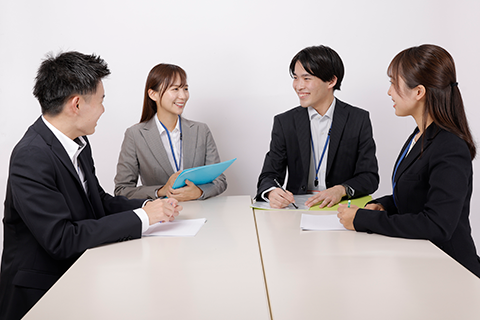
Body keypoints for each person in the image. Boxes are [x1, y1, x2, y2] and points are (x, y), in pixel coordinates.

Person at [0, 51, 182, 319]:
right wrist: (143, 217)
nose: (103, 109)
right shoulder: (31, 155)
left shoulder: (79, 142)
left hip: (81, 273)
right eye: (101, 100)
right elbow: (61, 239)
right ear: (76, 104)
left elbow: (97, 201)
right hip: (40, 293)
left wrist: (148, 205)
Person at [337, 44, 480, 278]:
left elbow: (437, 224)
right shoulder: (419, 136)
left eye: (394, 83)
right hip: (421, 265)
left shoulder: (450, 147)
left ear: (419, 92)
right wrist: (384, 205)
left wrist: (366, 219)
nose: (389, 92)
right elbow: (415, 194)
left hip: (452, 272)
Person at [256, 45, 379, 209]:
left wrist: (340, 190)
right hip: (297, 209)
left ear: (331, 81)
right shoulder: (285, 122)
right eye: (295, 77)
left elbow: (369, 177)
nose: (299, 86)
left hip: (340, 208)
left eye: (307, 78)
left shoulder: (357, 119)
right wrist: (272, 192)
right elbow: (269, 175)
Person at [114, 63, 227, 201]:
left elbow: (220, 180)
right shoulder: (135, 135)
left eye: (185, 88)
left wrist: (198, 192)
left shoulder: (201, 130)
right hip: (161, 216)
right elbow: (122, 190)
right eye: (175, 89)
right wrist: (161, 191)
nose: (183, 96)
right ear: (153, 94)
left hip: (200, 212)